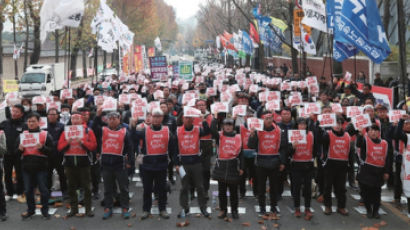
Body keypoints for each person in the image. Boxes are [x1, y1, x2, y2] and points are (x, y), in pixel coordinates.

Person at [134, 108, 177, 220]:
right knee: (147, 189)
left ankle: (162, 209)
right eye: (155, 116)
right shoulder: (144, 130)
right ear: (151, 117)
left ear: (162, 118)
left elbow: (173, 148)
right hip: (147, 166)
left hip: (161, 166)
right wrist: (133, 126)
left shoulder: (167, 131)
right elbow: (132, 138)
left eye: (159, 117)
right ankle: (146, 210)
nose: (157, 119)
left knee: (161, 189)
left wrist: (176, 162)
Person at [94, 109, 134, 220]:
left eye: (114, 118)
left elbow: (130, 148)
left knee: (123, 188)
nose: (112, 121)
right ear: (107, 120)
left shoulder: (125, 131)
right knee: (108, 189)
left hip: (120, 165)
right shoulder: (103, 130)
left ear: (119, 119)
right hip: (106, 165)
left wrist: (130, 162)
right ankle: (108, 208)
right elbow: (93, 128)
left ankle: (125, 208)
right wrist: (97, 116)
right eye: (110, 119)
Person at [248, 111, 288, 218]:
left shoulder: (278, 130)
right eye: (266, 118)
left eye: (271, 117)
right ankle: (262, 208)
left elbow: (283, 148)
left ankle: (273, 207)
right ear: (262, 120)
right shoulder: (257, 131)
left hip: (274, 162)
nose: (269, 120)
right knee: (261, 187)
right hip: (261, 162)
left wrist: (283, 162)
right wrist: (252, 135)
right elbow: (251, 145)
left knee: (274, 187)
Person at [57, 112, 97, 217]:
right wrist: (67, 143)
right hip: (69, 163)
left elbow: (93, 146)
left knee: (87, 187)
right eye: (73, 118)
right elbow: (60, 147)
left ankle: (88, 209)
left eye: (77, 118)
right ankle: (74, 209)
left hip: (84, 162)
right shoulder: (66, 131)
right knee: (71, 187)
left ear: (82, 120)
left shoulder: (88, 130)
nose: (75, 120)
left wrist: (82, 142)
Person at [16, 112, 54, 219]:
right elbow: (15, 153)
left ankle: (45, 211)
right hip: (27, 167)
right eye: (29, 121)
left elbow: (52, 152)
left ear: (39, 122)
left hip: (41, 167)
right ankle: (30, 210)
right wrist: (19, 150)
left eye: (33, 121)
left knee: (43, 190)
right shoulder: (23, 135)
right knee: (28, 190)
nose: (31, 123)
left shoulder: (45, 134)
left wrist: (42, 148)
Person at [175, 114, 210, 218]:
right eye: (186, 117)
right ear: (182, 118)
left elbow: (208, 132)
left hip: (196, 163)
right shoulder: (177, 131)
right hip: (183, 164)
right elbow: (174, 149)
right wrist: (176, 164)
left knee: (200, 186)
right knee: (184, 187)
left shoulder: (198, 129)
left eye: (190, 118)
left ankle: (203, 207)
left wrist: (203, 121)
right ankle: (185, 208)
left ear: (193, 119)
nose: (188, 119)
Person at [356, 125, 392, 219]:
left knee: (377, 193)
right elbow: (359, 144)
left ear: (379, 132)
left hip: (379, 172)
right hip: (366, 171)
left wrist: (387, 172)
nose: (373, 132)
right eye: (371, 130)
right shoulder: (365, 141)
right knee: (366, 193)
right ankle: (369, 210)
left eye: (376, 130)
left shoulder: (384, 143)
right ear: (368, 132)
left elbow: (387, 159)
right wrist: (360, 133)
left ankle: (375, 211)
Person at [210, 118, 243, 220]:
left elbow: (241, 154)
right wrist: (215, 118)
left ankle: (234, 210)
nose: (228, 127)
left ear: (233, 126)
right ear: (223, 126)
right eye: (226, 125)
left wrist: (242, 167)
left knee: (233, 191)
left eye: (230, 125)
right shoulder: (219, 136)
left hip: (233, 165)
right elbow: (212, 130)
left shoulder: (238, 137)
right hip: (222, 166)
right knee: (222, 191)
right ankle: (223, 210)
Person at [321, 116, 352, 216]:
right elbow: (323, 150)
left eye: (339, 124)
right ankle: (328, 206)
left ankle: (341, 207)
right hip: (330, 164)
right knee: (328, 187)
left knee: (341, 188)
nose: (338, 126)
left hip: (342, 166)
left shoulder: (347, 136)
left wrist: (350, 165)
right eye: (335, 123)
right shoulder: (327, 134)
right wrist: (324, 162)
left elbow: (350, 152)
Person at [289, 118, 318, 221]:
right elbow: (288, 152)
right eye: (300, 124)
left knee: (307, 188)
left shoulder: (311, 134)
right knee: (296, 188)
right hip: (296, 164)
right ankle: (297, 208)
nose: (302, 126)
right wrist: (292, 147)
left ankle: (307, 208)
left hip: (308, 165)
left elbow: (315, 149)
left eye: (304, 124)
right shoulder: (292, 135)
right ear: (297, 125)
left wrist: (312, 159)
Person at [0, 104, 27, 203]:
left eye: (16, 112)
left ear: (21, 114)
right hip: (7, 153)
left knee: (20, 174)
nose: (14, 113)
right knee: (7, 174)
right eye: (13, 111)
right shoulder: (4, 123)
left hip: (19, 153)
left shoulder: (24, 125)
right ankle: (10, 193)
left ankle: (20, 192)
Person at [45, 108, 67, 198]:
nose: (52, 116)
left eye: (54, 114)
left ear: (57, 116)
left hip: (59, 154)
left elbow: (63, 139)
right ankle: (49, 193)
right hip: (47, 154)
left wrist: (53, 143)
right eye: (50, 114)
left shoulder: (62, 126)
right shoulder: (44, 126)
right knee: (48, 174)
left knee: (62, 174)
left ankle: (64, 192)